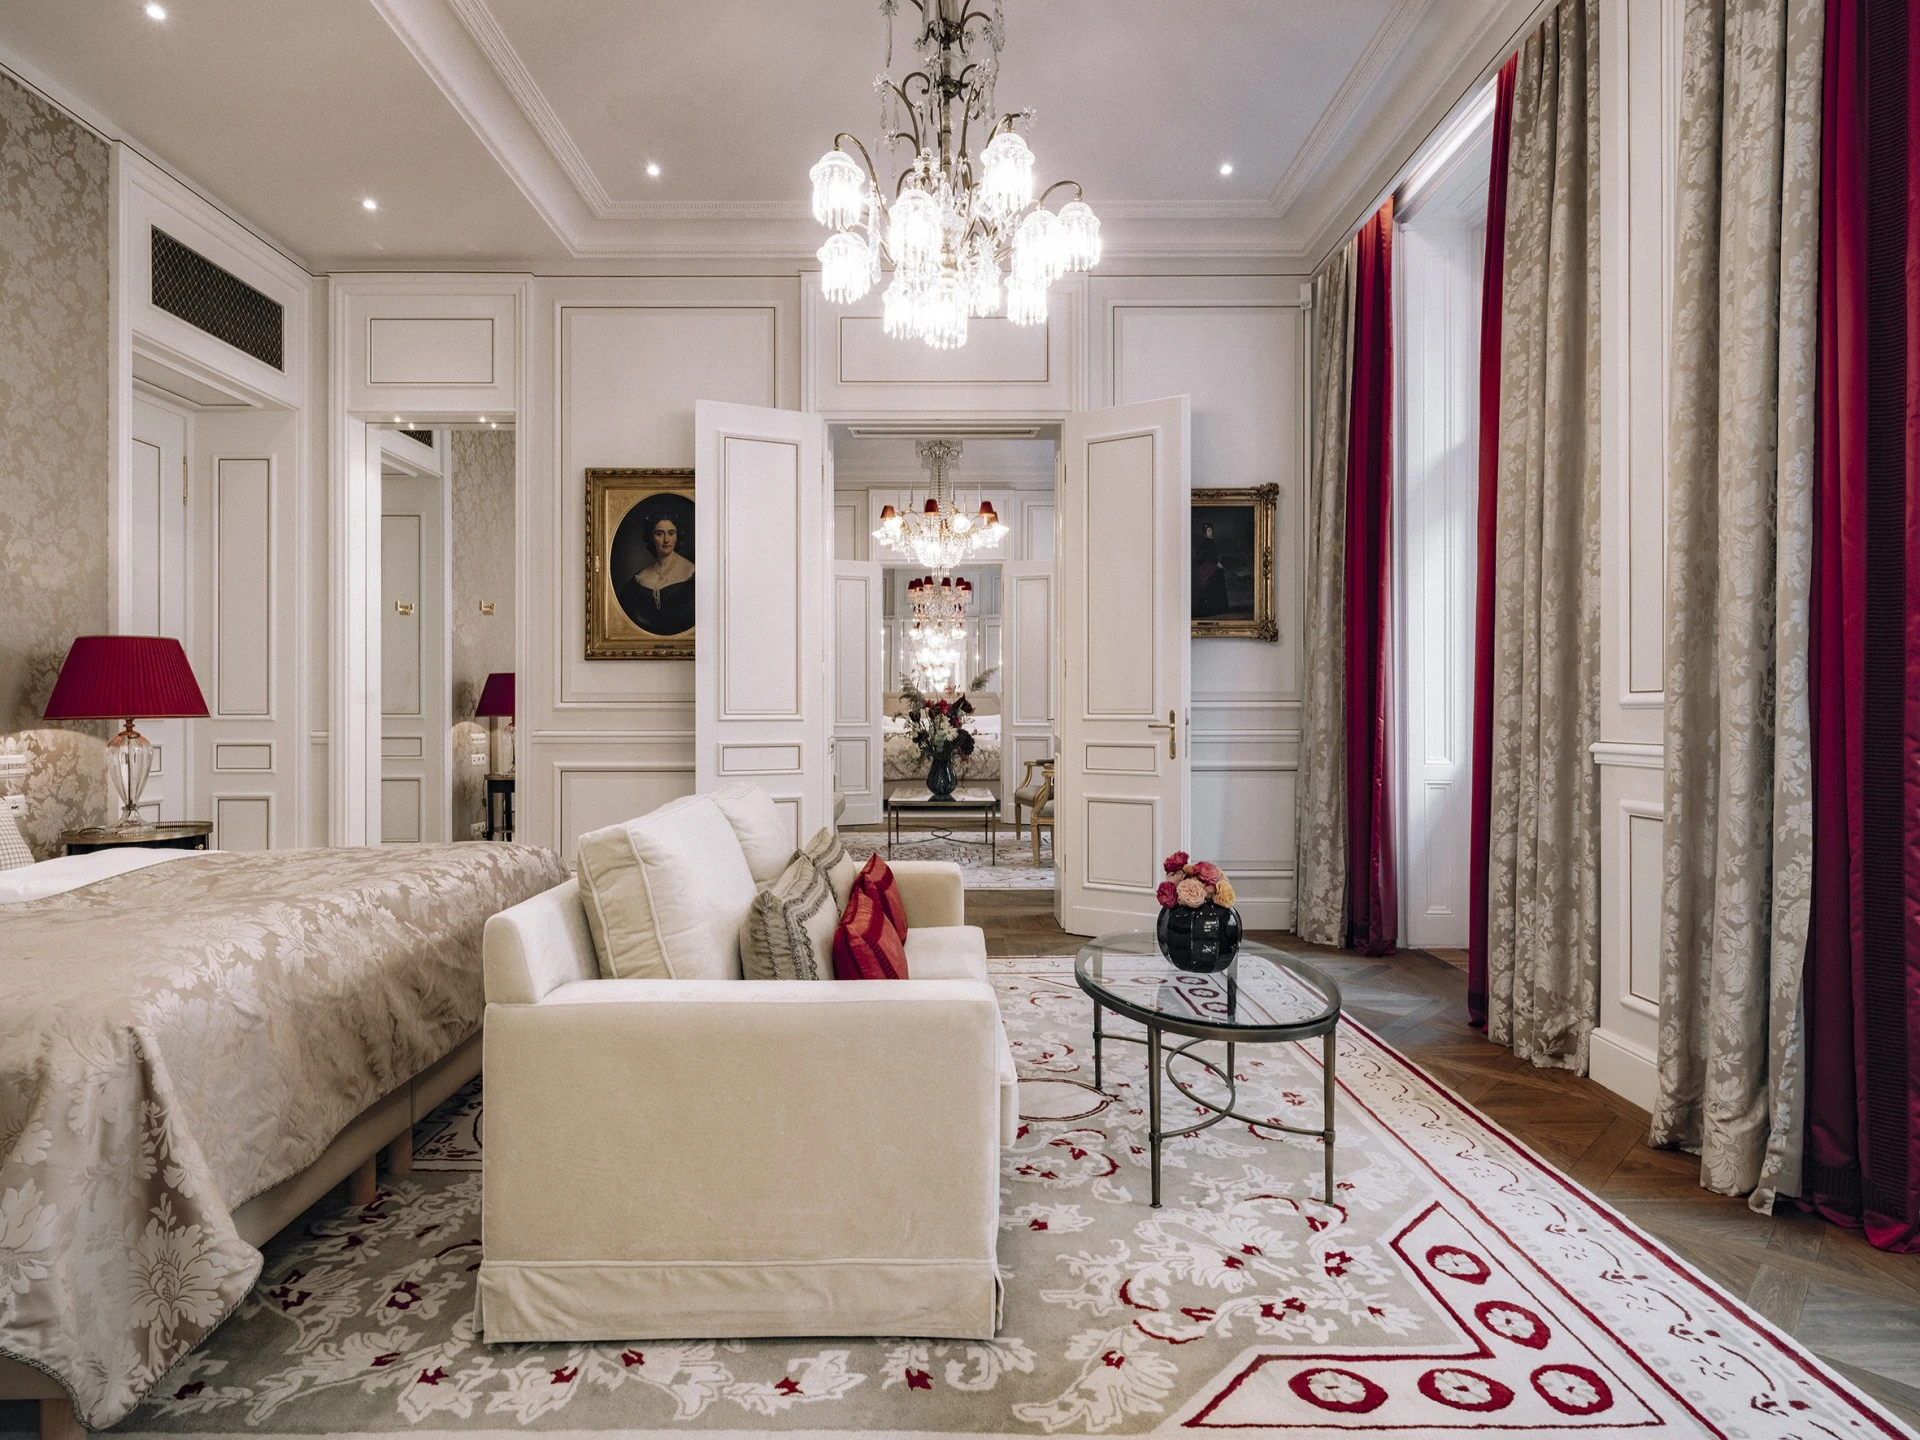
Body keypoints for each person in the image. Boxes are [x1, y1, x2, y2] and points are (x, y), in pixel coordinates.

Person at [618, 514, 694, 636]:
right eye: (659, 533)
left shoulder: (692, 573)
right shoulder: (640, 578)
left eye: (671, 533)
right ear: (651, 537)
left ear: (677, 536)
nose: (666, 540)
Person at [1193, 522, 1230, 618]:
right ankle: (1212, 609)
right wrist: (1217, 563)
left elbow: (1213, 554)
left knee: (1218, 576)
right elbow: (1206, 555)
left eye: (1211, 530)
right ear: (1205, 533)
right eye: (1209, 530)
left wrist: (1218, 561)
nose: (1211, 532)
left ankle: (1218, 608)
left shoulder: (1211, 541)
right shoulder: (1206, 542)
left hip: (1213, 564)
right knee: (1214, 578)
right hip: (1209, 566)